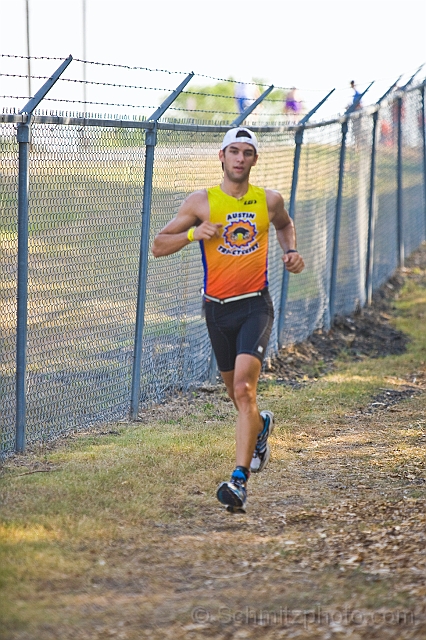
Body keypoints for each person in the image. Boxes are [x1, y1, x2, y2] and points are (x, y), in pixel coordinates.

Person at [152, 127, 305, 512]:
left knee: (243, 390)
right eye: (233, 152)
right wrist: (193, 234)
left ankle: (239, 481)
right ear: (221, 157)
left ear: (255, 160)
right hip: (216, 310)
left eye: (247, 153)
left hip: (255, 305)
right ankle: (260, 427)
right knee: (238, 400)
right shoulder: (202, 202)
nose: (239, 159)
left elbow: (285, 224)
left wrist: (291, 252)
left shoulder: (268, 201)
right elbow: (158, 246)